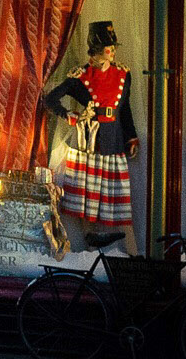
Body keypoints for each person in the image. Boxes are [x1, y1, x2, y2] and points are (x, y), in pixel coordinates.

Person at [42, 20, 139, 251]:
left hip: (113, 140)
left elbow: (124, 109)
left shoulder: (124, 75)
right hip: (88, 142)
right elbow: (50, 99)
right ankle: (89, 247)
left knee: (116, 199)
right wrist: (70, 117)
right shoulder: (79, 76)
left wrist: (131, 137)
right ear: (97, 49)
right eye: (109, 47)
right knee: (86, 199)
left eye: (114, 47)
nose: (113, 51)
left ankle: (130, 249)